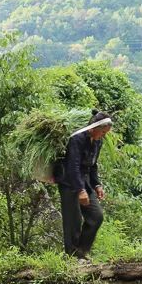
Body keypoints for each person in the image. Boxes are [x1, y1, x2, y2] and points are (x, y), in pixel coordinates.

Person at [53, 110, 112, 261]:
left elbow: (93, 165)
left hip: (85, 182)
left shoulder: (98, 141)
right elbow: (73, 166)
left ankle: (81, 252)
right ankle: (72, 256)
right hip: (69, 182)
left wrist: (97, 184)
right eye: (103, 132)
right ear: (94, 128)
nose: (104, 135)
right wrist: (80, 190)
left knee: (96, 216)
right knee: (73, 221)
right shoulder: (77, 139)